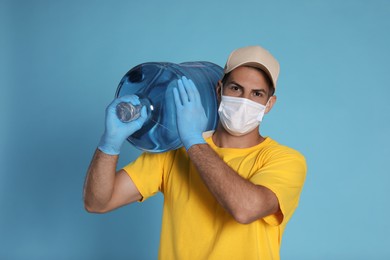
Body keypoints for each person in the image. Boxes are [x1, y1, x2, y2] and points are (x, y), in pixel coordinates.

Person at [84, 45, 307, 260]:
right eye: (236, 88)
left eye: (257, 94)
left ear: (269, 104)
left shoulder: (284, 160)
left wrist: (193, 141)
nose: (243, 101)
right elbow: (97, 202)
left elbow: (245, 210)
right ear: (219, 89)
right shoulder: (174, 152)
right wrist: (109, 144)